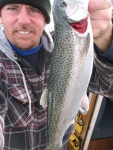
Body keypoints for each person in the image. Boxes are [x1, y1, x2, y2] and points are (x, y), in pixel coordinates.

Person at [0, 0, 112, 149]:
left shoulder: (65, 45)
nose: (23, 20)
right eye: (13, 8)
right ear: (1, 16)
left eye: (34, 10)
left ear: (46, 19)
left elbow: (109, 88)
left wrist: (105, 39)